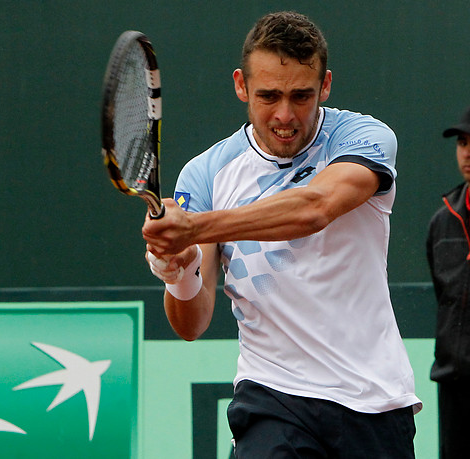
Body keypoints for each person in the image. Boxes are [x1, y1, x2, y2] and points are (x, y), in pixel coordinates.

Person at [142, 11, 422, 458]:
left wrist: (195, 227)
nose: (285, 115)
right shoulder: (206, 174)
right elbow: (191, 322)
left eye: (302, 96)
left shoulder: (363, 137)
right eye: (268, 96)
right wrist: (179, 269)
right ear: (241, 86)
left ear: (325, 86)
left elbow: (315, 208)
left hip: (373, 400)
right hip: (272, 396)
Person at [426, 104, 470, 459]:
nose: (467, 152)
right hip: (455, 384)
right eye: (462, 142)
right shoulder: (442, 221)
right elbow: (446, 296)